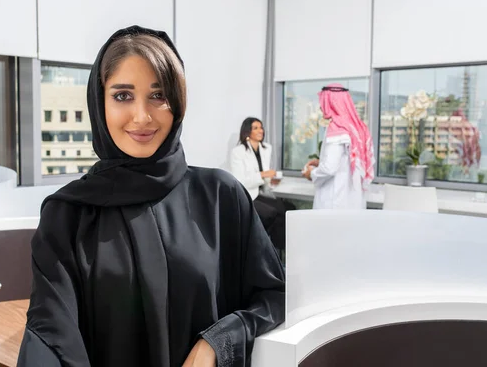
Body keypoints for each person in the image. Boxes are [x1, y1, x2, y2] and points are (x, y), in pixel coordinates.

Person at [16, 26, 285, 367]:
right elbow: (52, 335)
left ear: (178, 103)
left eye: (158, 96)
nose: (142, 116)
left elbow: (274, 295)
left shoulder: (220, 197)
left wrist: (219, 342)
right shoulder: (67, 214)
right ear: (99, 103)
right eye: (122, 96)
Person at [302, 84, 375, 210]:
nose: (321, 106)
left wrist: (311, 173)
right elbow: (347, 161)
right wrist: (321, 162)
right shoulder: (358, 128)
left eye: (323, 102)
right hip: (353, 200)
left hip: (335, 200)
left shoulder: (337, 128)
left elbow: (329, 168)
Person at [229, 117, 294, 251]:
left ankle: (282, 251)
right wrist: (263, 175)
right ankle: (268, 251)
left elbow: (265, 178)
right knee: (272, 213)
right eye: (256, 128)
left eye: (261, 127)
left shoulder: (266, 149)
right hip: (248, 195)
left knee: (288, 209)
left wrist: (272, 180)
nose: (261, 131)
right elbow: (240, 181)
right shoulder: (238, 152)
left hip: (262, 192)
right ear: (247, 131)